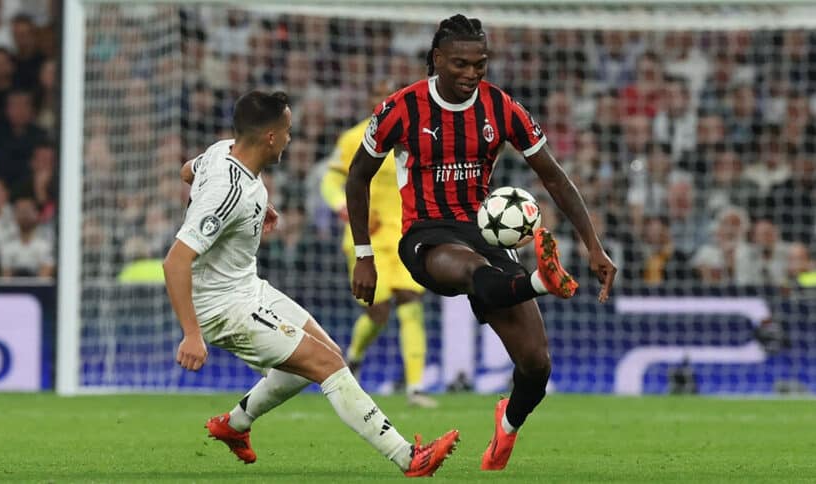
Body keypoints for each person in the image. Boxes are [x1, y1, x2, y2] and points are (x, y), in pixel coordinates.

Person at [345, 15, 616, 471]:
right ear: (437, 60)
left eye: (480, 64)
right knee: (472, 272)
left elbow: (553, 176)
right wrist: (364, 255)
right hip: (426, 235)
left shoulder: (501, 107)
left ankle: (506, 430)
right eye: (460, 64)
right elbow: (358, 177)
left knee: (536, 366)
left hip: (485, 233)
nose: (471, 73)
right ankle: (540, 280)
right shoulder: (400, 109)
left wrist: (593, 244)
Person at [163, 90, 458, 477]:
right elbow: (175, 262)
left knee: (327, 351)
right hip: (221, 306)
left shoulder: (223, 152)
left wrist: (253, 212)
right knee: (328, 364)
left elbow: (189, 171)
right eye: (287, 131)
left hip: (246, 285)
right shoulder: (228, 192)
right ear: (270, 137)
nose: (291, 138)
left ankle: (234, 425)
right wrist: (191, 334)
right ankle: (408, 457)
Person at [320, 78, 435, 408]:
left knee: (410, 303)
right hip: (365, 237)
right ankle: (354, 358)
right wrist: (341, 207)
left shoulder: (419, 137)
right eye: (378, 97)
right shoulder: (355, 137)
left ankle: (415, 388)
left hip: (406, 234)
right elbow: (331, 179)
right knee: (379, 310)